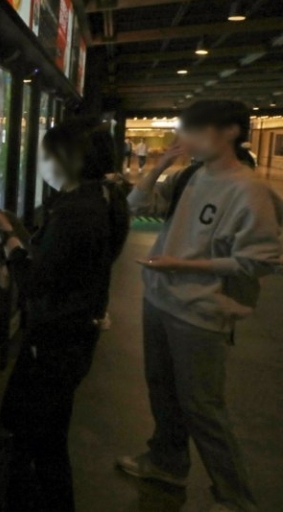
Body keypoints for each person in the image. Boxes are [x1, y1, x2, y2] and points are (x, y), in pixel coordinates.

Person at [119, 100, 283, 512]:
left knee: (202, 407)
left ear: (228, 132)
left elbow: (263, 259)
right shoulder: (191, 176)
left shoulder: (249, 190)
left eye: (193, 129)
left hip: (201, 311)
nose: (184, 138)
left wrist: (183, 264)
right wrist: (157, 167)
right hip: (160, 298)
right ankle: (167, 464)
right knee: (163, 392)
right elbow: (135, 207)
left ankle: (236, 498)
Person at [0, 117, 130, 511]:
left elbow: (36, 281)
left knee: (17, 440)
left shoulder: (75, 213)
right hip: (75, 341)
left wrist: (7, 237)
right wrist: (19, 230)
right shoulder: (102, 199)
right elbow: (62, 263)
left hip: (52, 346)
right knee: (50, 439)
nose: (42, 161)